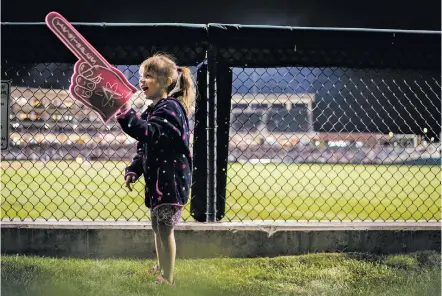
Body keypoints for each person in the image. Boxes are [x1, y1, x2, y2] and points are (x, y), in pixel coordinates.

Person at [115, 53, 195, 286]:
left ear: (166, 82)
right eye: (141, 76)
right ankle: (160, 268)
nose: (142, 80)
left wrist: (124, 112)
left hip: (170, 180)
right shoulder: (155, 109)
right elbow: (145, 146)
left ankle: (167, 278)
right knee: (158, 226)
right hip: (159, 180)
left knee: (165, 229)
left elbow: (148, 133)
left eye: (148, 76)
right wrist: (134, 169)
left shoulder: (170, 108)